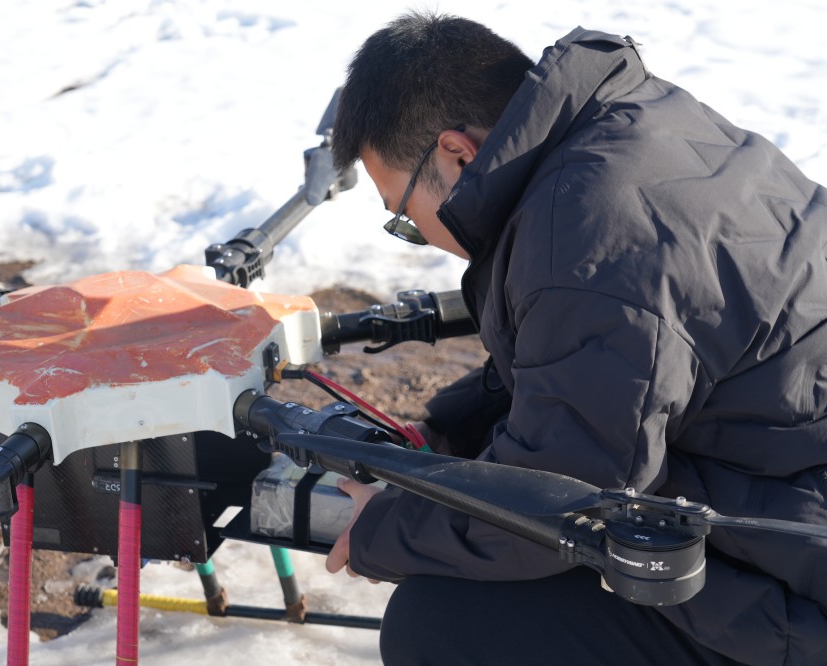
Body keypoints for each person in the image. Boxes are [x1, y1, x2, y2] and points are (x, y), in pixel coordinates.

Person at [326, 11, 827, 666]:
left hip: (800, 579)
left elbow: (566, 500)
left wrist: (380, 530)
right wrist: (448, 430)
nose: (420, 236)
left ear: (458, 153)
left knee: (440, 623)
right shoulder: (635, 123)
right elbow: (599, 363)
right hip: (783, 486)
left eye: (406, 218)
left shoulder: (589, 238)